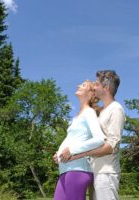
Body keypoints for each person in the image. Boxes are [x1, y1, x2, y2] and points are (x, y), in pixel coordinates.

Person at [65, 70, 126, 200]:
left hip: (106, 174)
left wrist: (79, 154)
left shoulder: (116, 109)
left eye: (97, 84)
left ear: (106, 87)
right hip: (95, 171)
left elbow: (111, 147)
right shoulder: (102, 111)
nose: (94, 86)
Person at [53, 80, 105, 200]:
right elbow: (73, 138)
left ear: (91, 93)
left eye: (83, 85)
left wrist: (71, 150)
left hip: (77, 171)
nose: (78, 86)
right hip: (65, 170)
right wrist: (59, 154)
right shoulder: (77, 116)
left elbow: (100, 139)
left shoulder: (89, 112)